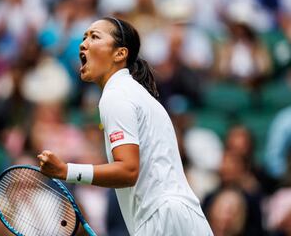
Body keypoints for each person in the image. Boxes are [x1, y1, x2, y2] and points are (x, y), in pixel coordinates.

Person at [37, 17, 213, 235]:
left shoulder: (116, 95)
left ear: (120, 54)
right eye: (84, 37)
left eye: (95, 36)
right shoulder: (135, 94)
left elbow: (128, 170)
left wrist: (66, 170)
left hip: (161, 218)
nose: (83, 43)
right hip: (186, 218)